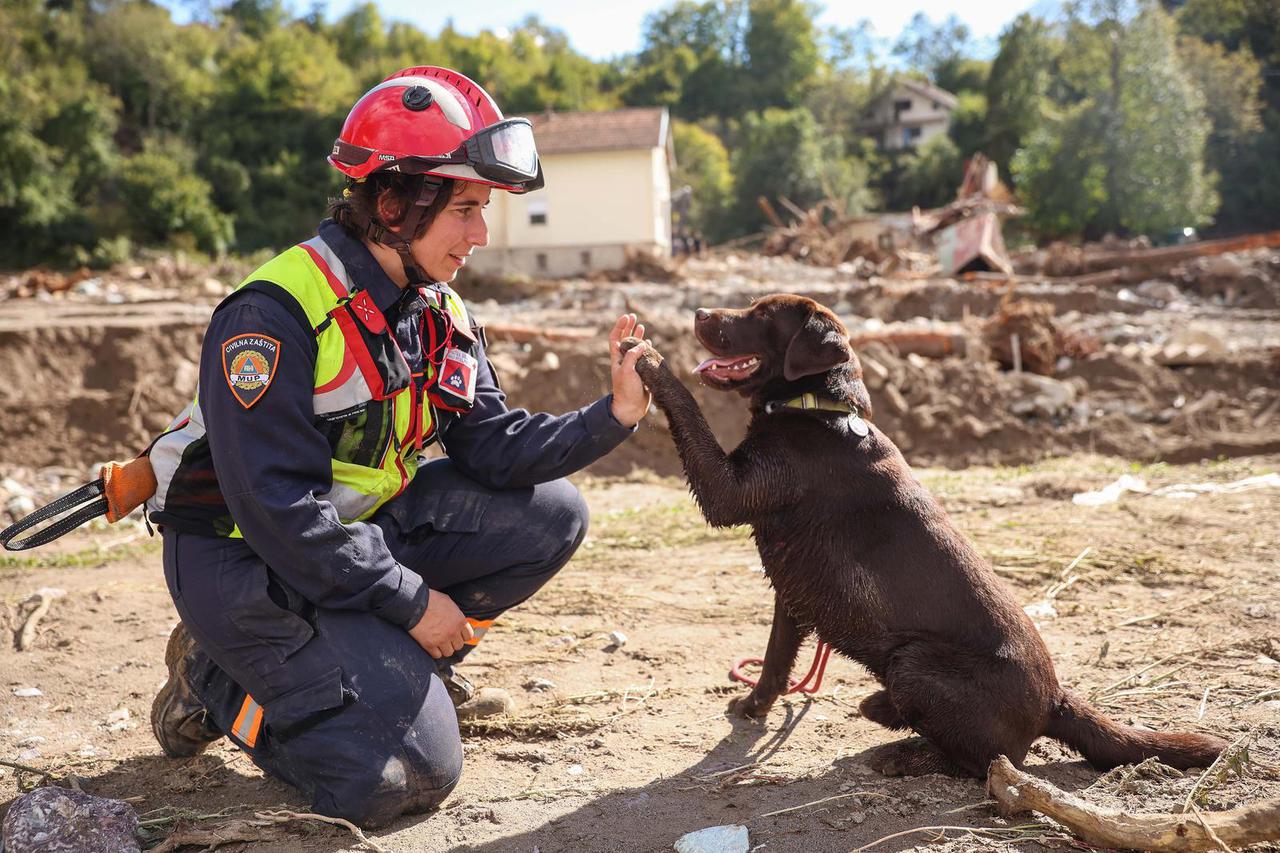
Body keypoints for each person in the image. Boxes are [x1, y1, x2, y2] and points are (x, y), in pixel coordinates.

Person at [145, 66, 653, 828]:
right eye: (467, 210)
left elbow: (491, 448)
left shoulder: (437, 309)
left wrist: (610, 415)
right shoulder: (274, 313)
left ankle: (386, 675)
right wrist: (411, 601)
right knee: (395, 782)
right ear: (392, 202)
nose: (482, 235)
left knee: (552, 515)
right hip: (245, 561)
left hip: (349, 543)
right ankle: (218, 682)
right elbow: (279, 508)